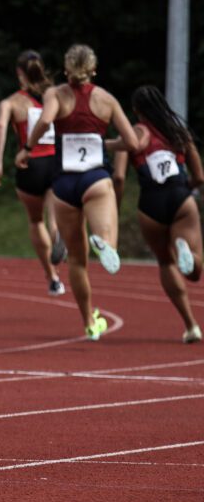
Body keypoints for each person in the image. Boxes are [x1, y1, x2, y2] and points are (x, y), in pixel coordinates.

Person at [21, 44, 138, 340]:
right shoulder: (105, 99)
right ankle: (106, 243)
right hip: (95, 178)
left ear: (65, 68)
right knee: (107, 235)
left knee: (76, 260)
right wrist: (103, 143)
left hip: (63, 184)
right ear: (94, 70)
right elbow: (133, 143)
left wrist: (27, 148)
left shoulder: (55, 95)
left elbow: (46, 121)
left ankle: (89, 322)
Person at [108, 85, 203, 343]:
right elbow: (200, 176)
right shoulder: (178, 133)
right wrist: (187, 190)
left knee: (165, 262)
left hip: (150, 204)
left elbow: (118, 177)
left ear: (137, 111)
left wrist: (113, 211)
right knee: (196, 271)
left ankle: (191, 324)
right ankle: (188, 253)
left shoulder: (133, 134)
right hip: (180, 197)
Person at [0, 50, 66, 296]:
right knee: (55, 217)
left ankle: (52, 278)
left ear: (19, 73)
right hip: (55, 161)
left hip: (30, 165)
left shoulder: (11, 103)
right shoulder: (57, 96)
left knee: (36, 221)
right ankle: (59, 236)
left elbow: (1, 125)